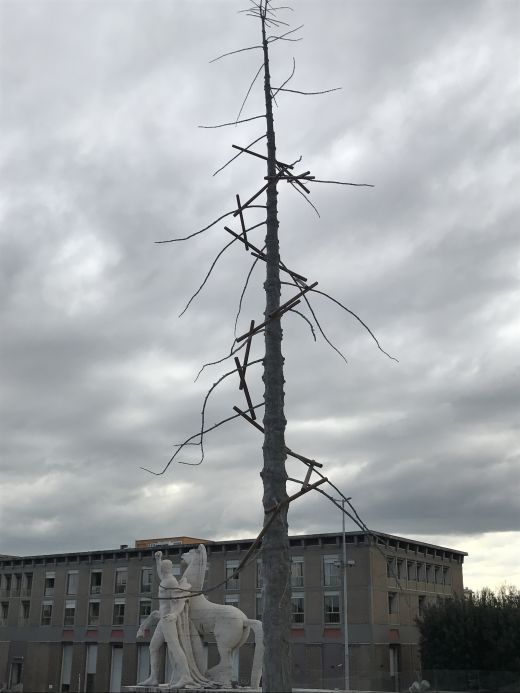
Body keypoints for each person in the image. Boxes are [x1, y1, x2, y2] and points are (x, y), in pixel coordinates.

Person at [136, 551, 211, 688]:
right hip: (162, 620)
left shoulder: (170, 582)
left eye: (163, 566)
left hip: (169, 619)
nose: (162, 569)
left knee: (175, 648)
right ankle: (153, 678)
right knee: (153, 647)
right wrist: (158, 560)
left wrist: (175, 614)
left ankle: (186, 676)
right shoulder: (165, 578)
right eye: (162, 567)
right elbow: (160, 574)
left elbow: (179, 600)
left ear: (168, 569)